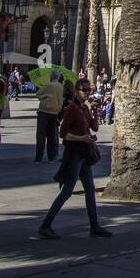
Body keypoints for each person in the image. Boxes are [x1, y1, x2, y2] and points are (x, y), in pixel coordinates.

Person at [38, 78, 111, 240]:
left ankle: (94, 226)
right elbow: (64, 134)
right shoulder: (71, 109)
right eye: (83, 90)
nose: (86, 93)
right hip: (74, 154)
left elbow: (95, 127)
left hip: (84, 154)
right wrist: (82, 138)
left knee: (90, 190)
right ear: (76, 91)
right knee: (67, 192)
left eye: (88, 90)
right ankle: (46, 225)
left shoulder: (84, 108)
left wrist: (95, 111)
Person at [35, 71, 64, 161]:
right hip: (55, 112)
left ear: (51, 77)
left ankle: (39, 157)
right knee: (51, 136)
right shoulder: (60, 86)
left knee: (41, 135)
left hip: (44, 111)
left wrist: (45, 96)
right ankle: (51, 157)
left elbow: (38, 94)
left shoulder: (48, 85)